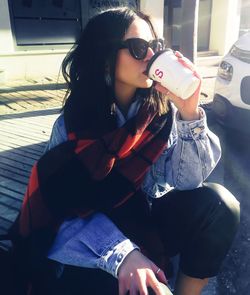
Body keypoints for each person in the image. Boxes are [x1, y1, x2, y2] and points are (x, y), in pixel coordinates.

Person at [13, 6, 240, 295]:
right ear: (106, 59)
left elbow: (188, 181)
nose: (151, 56)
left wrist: (190, 112)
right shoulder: (73, 125)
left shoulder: (160, 114)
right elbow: (59, 214)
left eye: (155, 47)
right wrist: (122, 255)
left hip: (145, 219)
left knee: (219, 204)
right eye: (138, 48)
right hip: (92, 237)